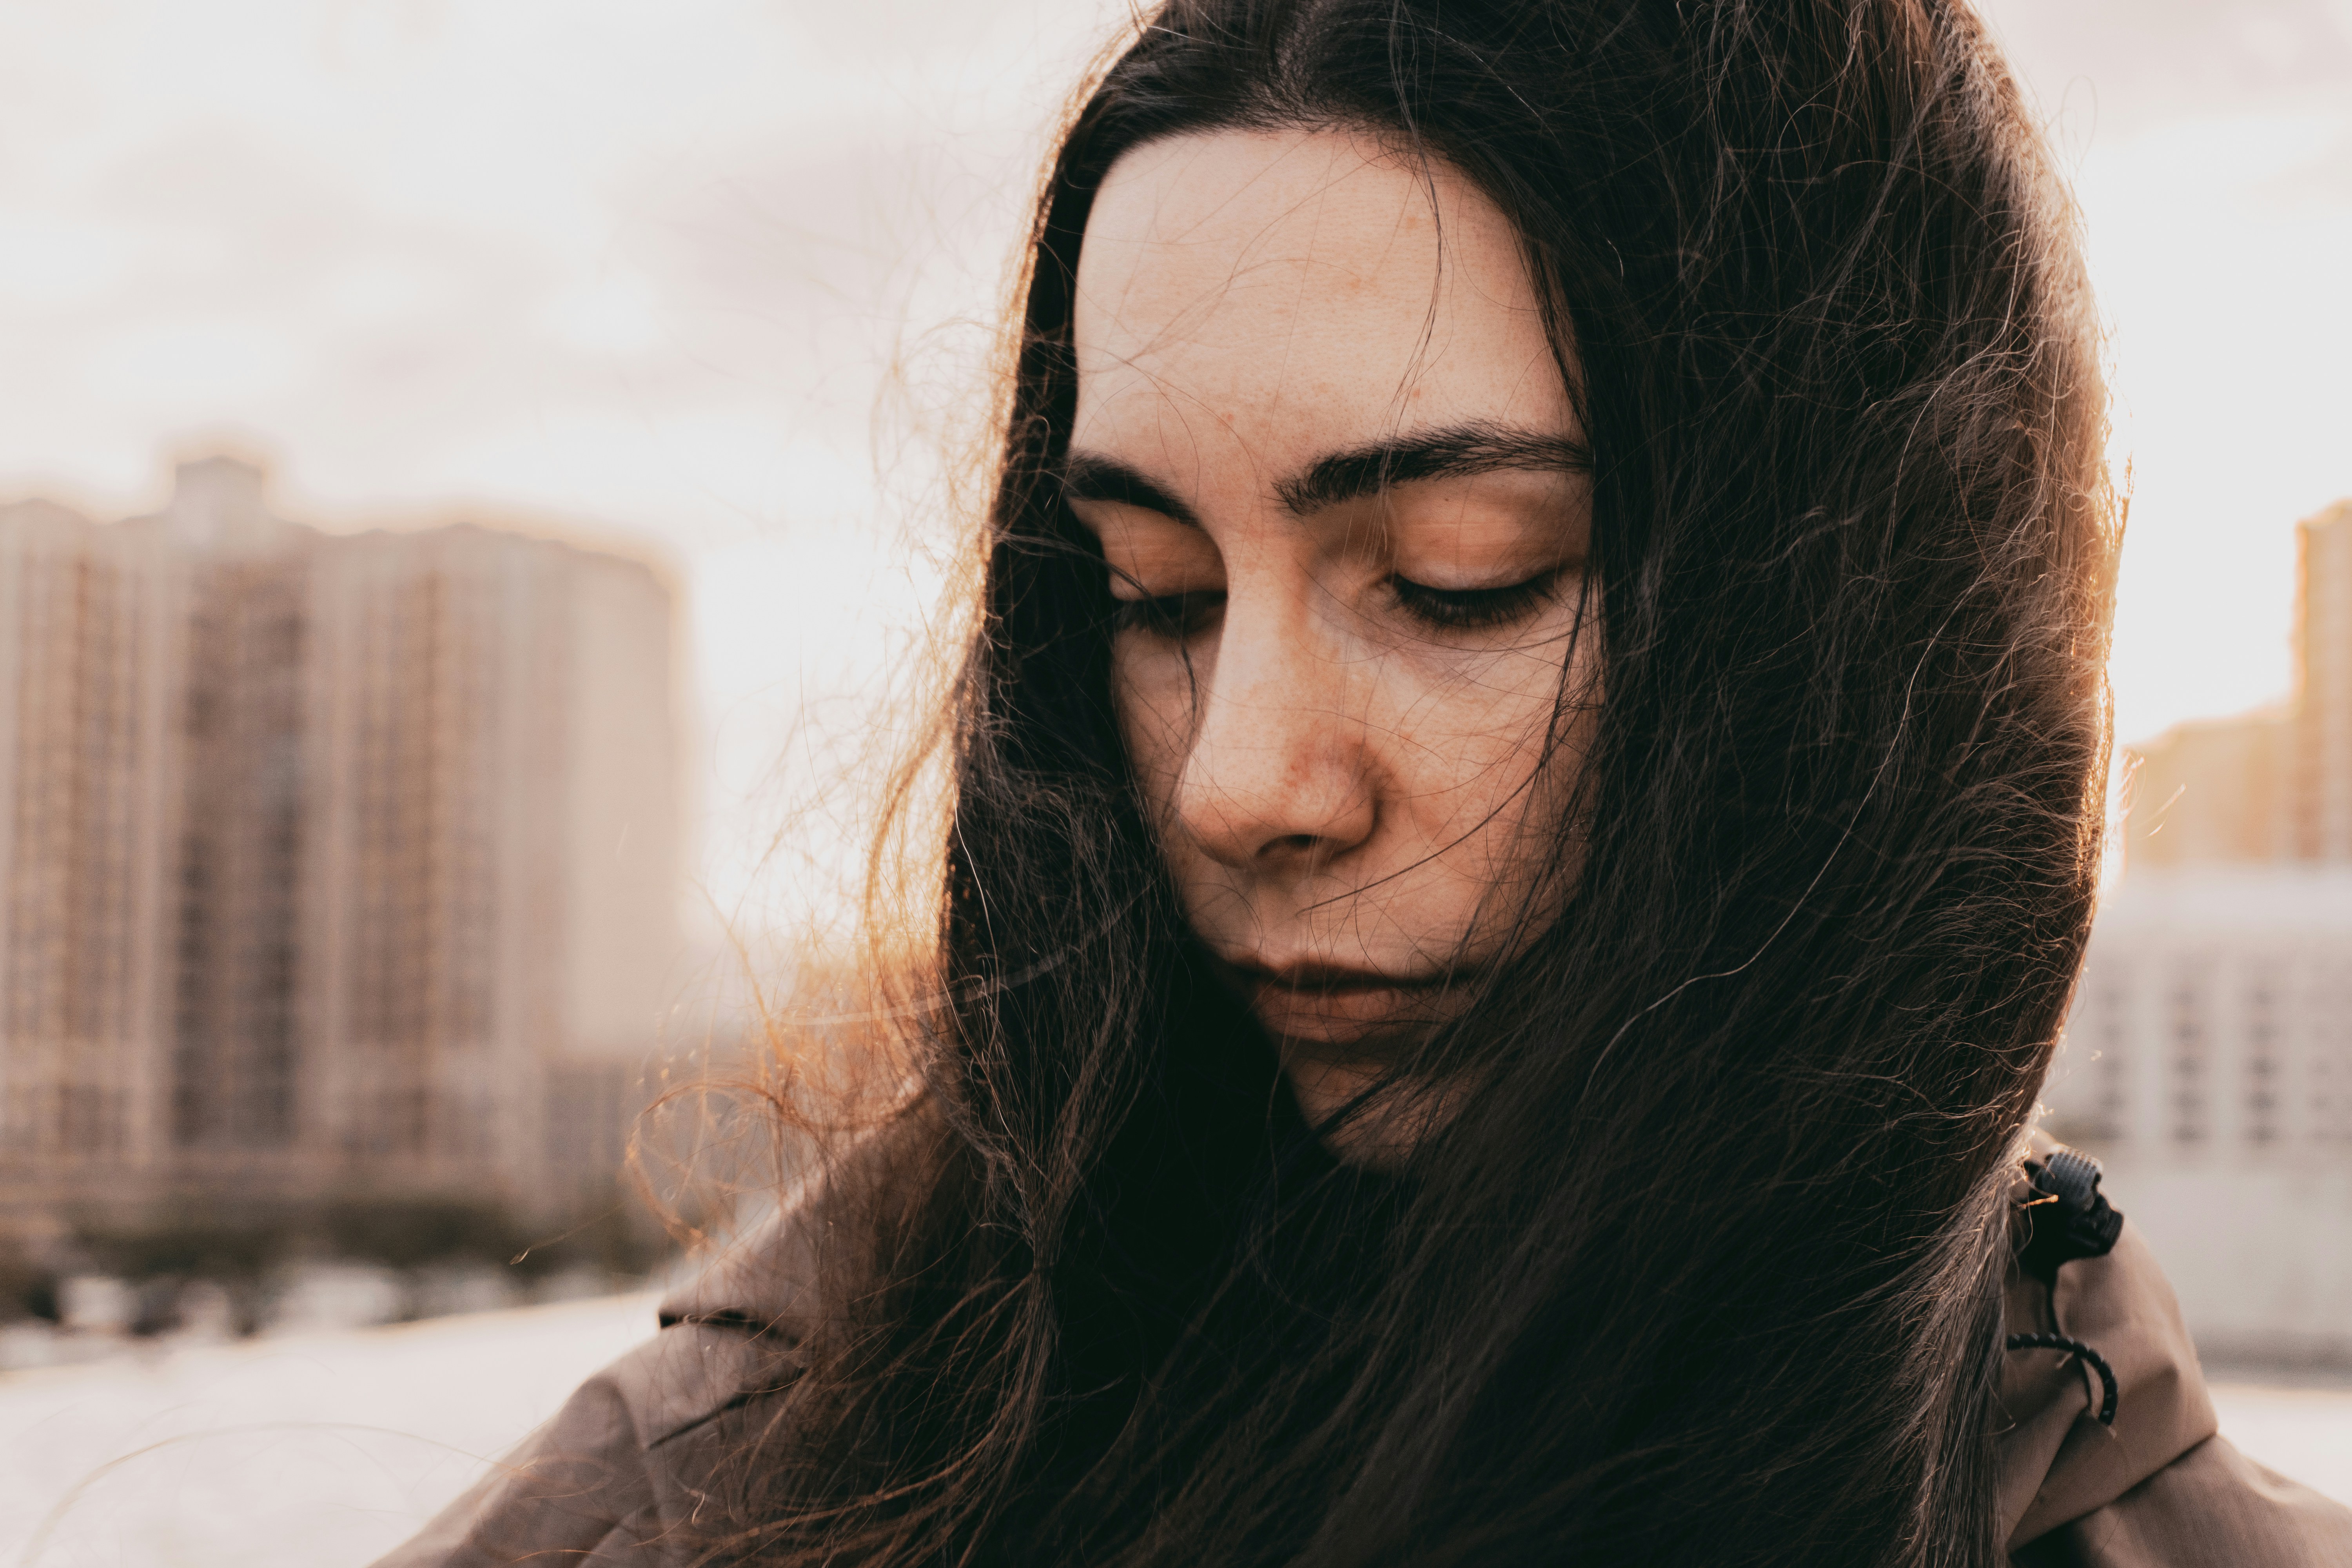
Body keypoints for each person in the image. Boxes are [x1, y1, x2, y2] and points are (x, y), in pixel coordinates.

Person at [382, 2, 2352, 1563]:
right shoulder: (738, 1500)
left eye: (1456, 578)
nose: (1242, 784)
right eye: (1153, 598)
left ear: (1882, 646)